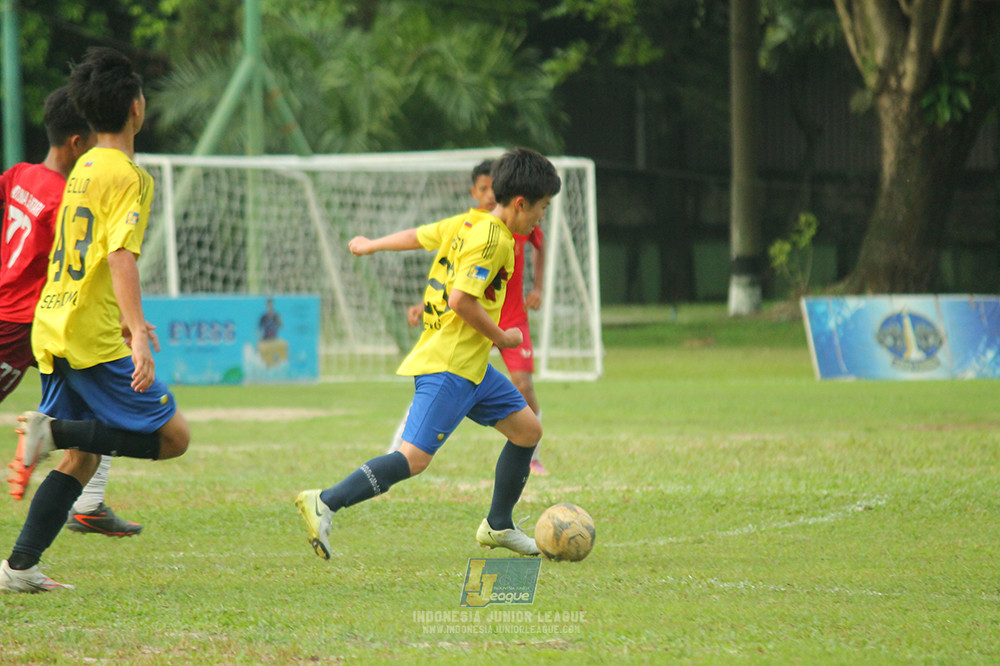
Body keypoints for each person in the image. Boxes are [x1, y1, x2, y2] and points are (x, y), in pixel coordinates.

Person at [296, 147, 561, 559]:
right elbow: (460, 300)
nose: (542, 217)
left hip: (472, 367)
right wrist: (504, 339)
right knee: (412, 460)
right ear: (521, 203)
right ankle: (326, 500)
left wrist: (372, 245)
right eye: (542, 208)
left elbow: (418, 235)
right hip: (450, 365)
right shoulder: (495, 241)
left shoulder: (468, 224)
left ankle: (498, 524)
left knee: (528, 431)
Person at [0, 47, 191, 593]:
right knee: (174, 437)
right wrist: (137, 339)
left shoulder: (82, 167)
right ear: (137, 107)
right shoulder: (129, 175)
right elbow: (119, 256)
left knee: (86, 455)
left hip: (53, 325)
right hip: (88, 334)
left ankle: (18, 569)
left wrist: (132, 322)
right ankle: (49, 431)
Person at [1, 86, 142, 537]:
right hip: (24, 321)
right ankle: (85, 498)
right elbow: (90, 261)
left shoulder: (19, 174)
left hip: (26, 315)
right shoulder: (66, 199)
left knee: (94, 416)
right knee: (97, 414)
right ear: (79, 143)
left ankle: (89, 502)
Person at [388, 159, 551, 476]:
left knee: (523, 387)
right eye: (483, 188)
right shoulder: (473, 229)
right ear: (473, 192)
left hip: (510, 315)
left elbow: (538, 248)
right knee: (438, 391)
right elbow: (456, 283)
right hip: (471, 322)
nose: (489, 194)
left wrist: (539, 287)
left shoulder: (524, 223)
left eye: (494, 187)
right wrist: (425, 306)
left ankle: (531, 457)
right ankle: (396, 455)